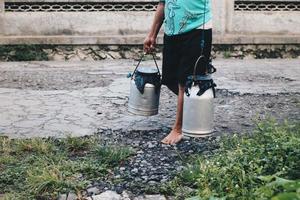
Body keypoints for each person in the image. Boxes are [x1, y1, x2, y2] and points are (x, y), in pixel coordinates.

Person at [143, 0, 213, 144]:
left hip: (198, 29)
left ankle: (179, 128)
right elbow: (163, 4)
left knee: (185, 81)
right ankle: (198, 102)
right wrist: (152, 34)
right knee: (169, 79)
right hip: (172, 32)